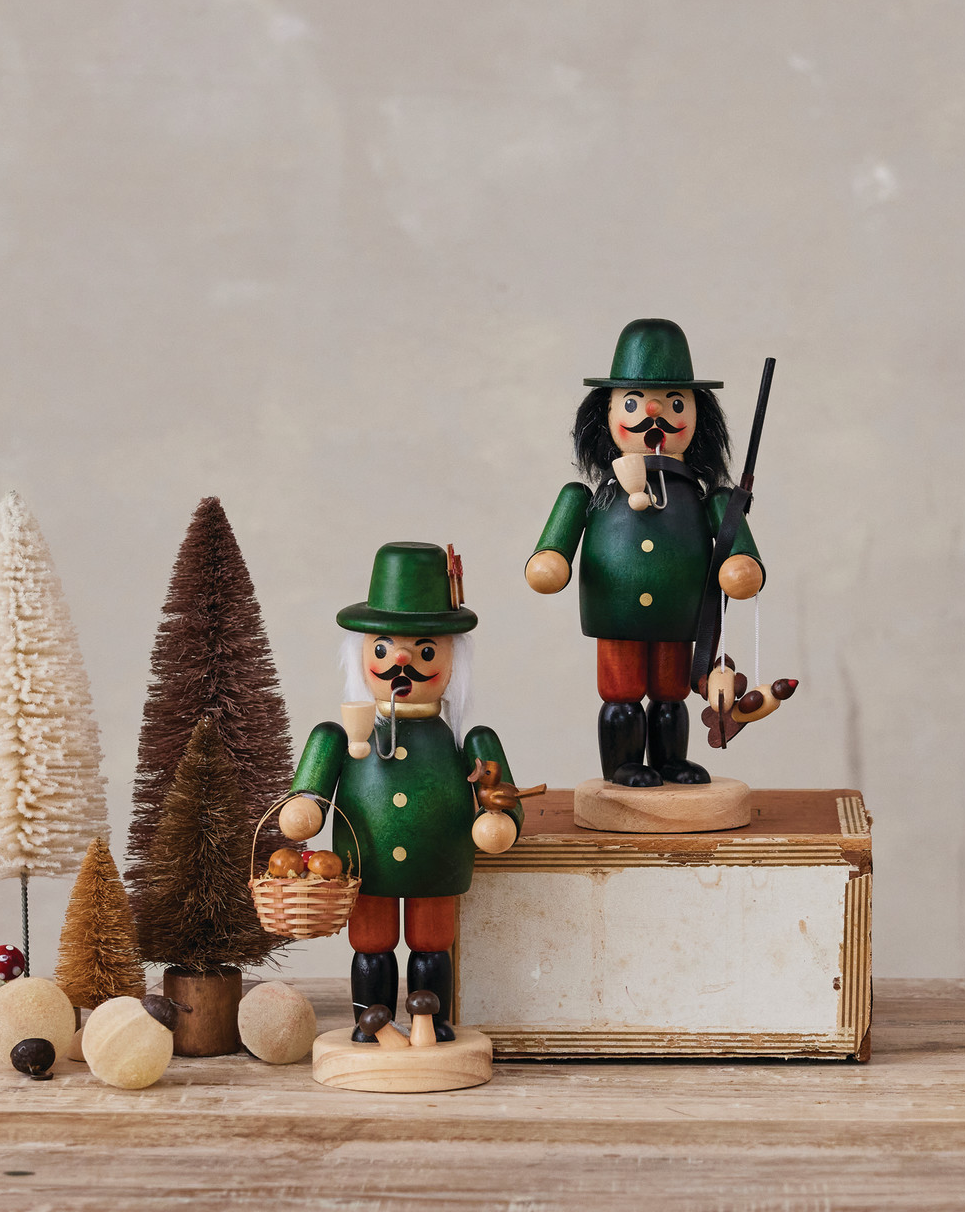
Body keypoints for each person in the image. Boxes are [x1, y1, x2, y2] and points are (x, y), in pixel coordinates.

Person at [279, 541, 521, 1041]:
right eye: (383, 649)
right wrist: (305, 806)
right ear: (361, 653)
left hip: (437, 859)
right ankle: (373, 1023)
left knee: (432, 941)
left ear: (452, 659)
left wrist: (497, 821)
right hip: (366, 859)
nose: (403, 659)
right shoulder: (340, 736)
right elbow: (305, 803)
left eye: (426, 651)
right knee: (371, 941)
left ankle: (434, 1023)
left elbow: (505, 801)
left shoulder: (471, 741)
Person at [526, 317, 764, 787]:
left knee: (671, 692)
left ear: (699, 417)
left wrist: (741, 564)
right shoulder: (588, 496)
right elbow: (551, 554)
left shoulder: (710, 499)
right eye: (632, 403)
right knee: (622, 691)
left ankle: (671, 760)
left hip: (680, 614)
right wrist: (551, 558)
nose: (653, 412)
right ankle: (623, 765)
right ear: (605, 413)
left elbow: (742, 557)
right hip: (615, 612)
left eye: (675, 403)